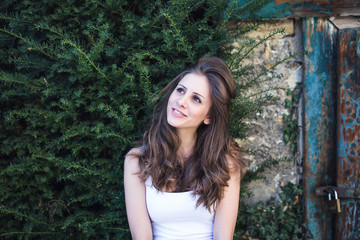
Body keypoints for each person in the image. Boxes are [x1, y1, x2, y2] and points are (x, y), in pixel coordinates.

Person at [124, 57, 247, 240]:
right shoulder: (137, 161)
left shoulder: (226, 164)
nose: (181, 101)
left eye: (196, 99)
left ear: (209, 116)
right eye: (180, 90)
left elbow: (223, 237)